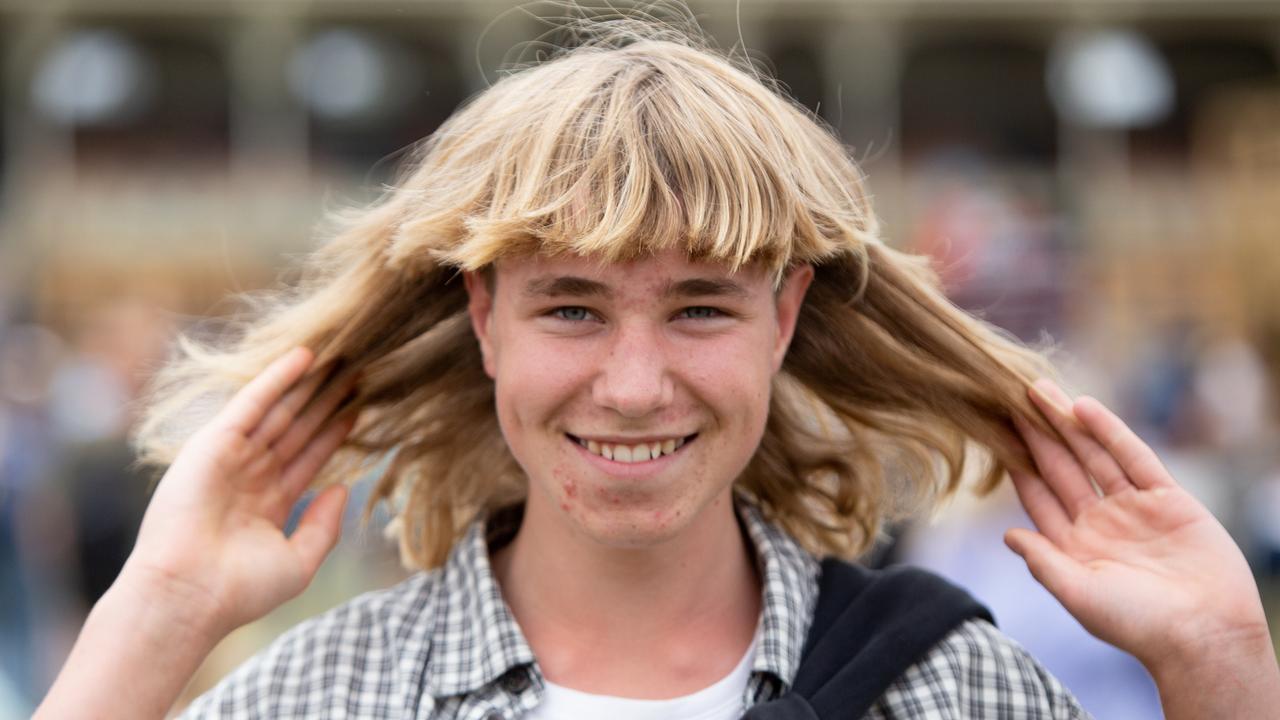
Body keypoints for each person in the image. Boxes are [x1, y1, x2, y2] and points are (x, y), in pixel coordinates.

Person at [34, 14, 1280, 720]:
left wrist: (1221, 664)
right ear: (483, 317)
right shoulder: (328, 694)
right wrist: (157, 615)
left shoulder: (949, 688)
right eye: (570, 310)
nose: (633, 386)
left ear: (786, 315)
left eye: (697, 309)